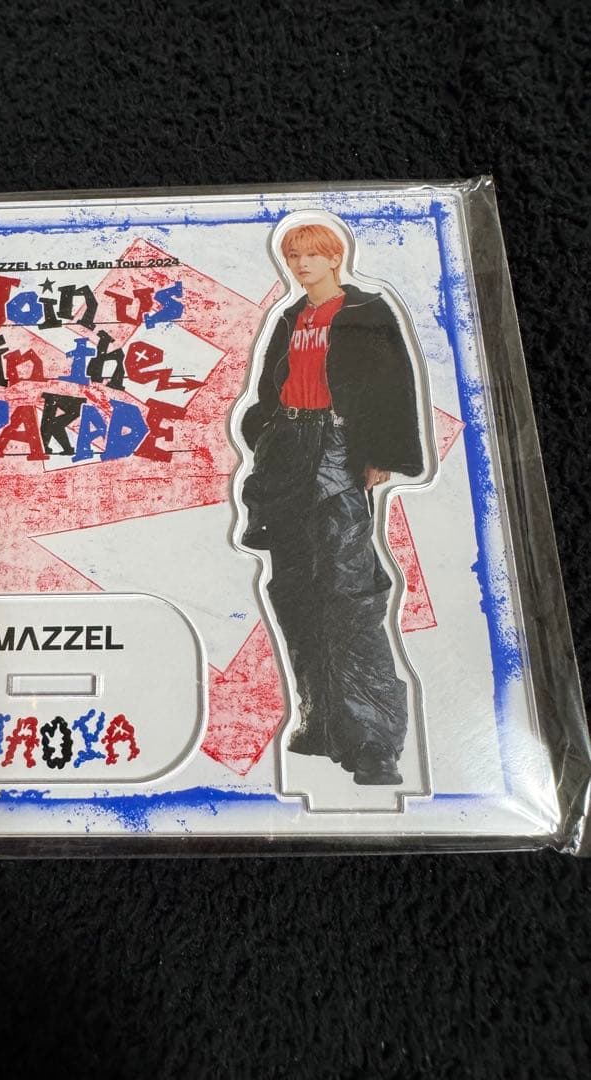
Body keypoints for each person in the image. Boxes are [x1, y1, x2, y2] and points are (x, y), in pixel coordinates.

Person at [239, 221, 424, 785]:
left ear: (334, 257)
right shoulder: (290, 317)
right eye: (294, 255)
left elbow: (392, 383)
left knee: (349, 590)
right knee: (293, 588)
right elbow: (269, 388)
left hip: (338, 448)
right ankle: (321, 718)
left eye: (312, 255)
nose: (301, 264)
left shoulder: (365, 311)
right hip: (286, 451)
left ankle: (372, 739)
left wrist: (378, 451)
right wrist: (264, 432)